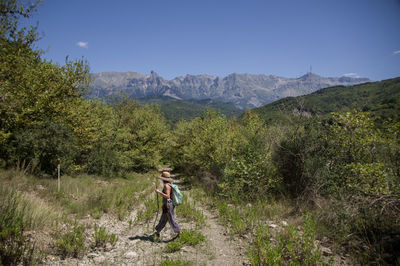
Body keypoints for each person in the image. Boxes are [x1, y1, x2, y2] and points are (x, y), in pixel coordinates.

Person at [153, 171, 181, 240]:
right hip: (167, 204)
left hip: (168, 204)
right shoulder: (169, 184)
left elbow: (168, 196)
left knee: (171, 218)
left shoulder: (166, 186)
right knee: (164, 218)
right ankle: (157, 232)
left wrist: (159, 192)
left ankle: (179, 233)